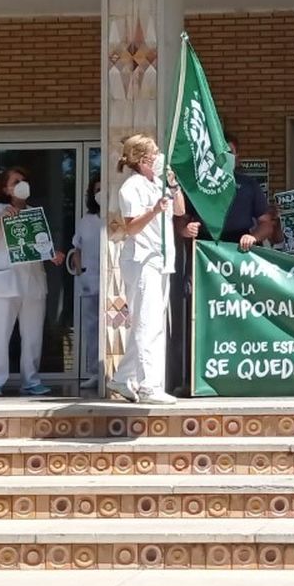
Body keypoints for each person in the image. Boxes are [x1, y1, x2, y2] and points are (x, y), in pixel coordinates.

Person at [172, 135, 271, 396]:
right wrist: (185, 229)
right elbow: (179, 220)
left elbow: (266, 222)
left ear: (238, 157)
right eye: (219, 152)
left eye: (230, 152)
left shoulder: (248, 185)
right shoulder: (196, 185)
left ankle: (243, 375)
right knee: (198, 317)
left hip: (239, 258)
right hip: (202, 256)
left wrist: (255, 236)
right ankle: (195, 378)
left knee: (241, 314)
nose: (224, 157)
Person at [0, 166, 64, 397]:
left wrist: (53, 254)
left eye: (24, 181)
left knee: (33, 335)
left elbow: (42, 247)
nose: (21, 185)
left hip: (32, 283)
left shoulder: (35, 213)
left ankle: (31, 380)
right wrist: (0, 220)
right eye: (15, 182)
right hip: (3, 283)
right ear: (5, 188)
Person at [109, 134, 183, 405]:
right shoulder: (131, 187)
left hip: (162, 258)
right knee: (147, 323)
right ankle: (149, 385)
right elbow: (131, 227)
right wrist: (153, 211)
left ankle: (121, 379)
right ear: (144, 159)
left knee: (152, 320)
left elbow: (179, 210)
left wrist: (173, 185)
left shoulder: (158, 183)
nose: (160, 155)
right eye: (155, 152)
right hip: (142, 260)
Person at [71, 178, 104, 390]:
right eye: (96, 190)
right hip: (90, 280)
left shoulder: (118, 216)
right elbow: (77, 247)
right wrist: (78, 264)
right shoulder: (86, 220)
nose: (100, 193)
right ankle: (94, 373)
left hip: (118, 282)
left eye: (103, 189)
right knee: (92, 329)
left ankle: (115, 373)